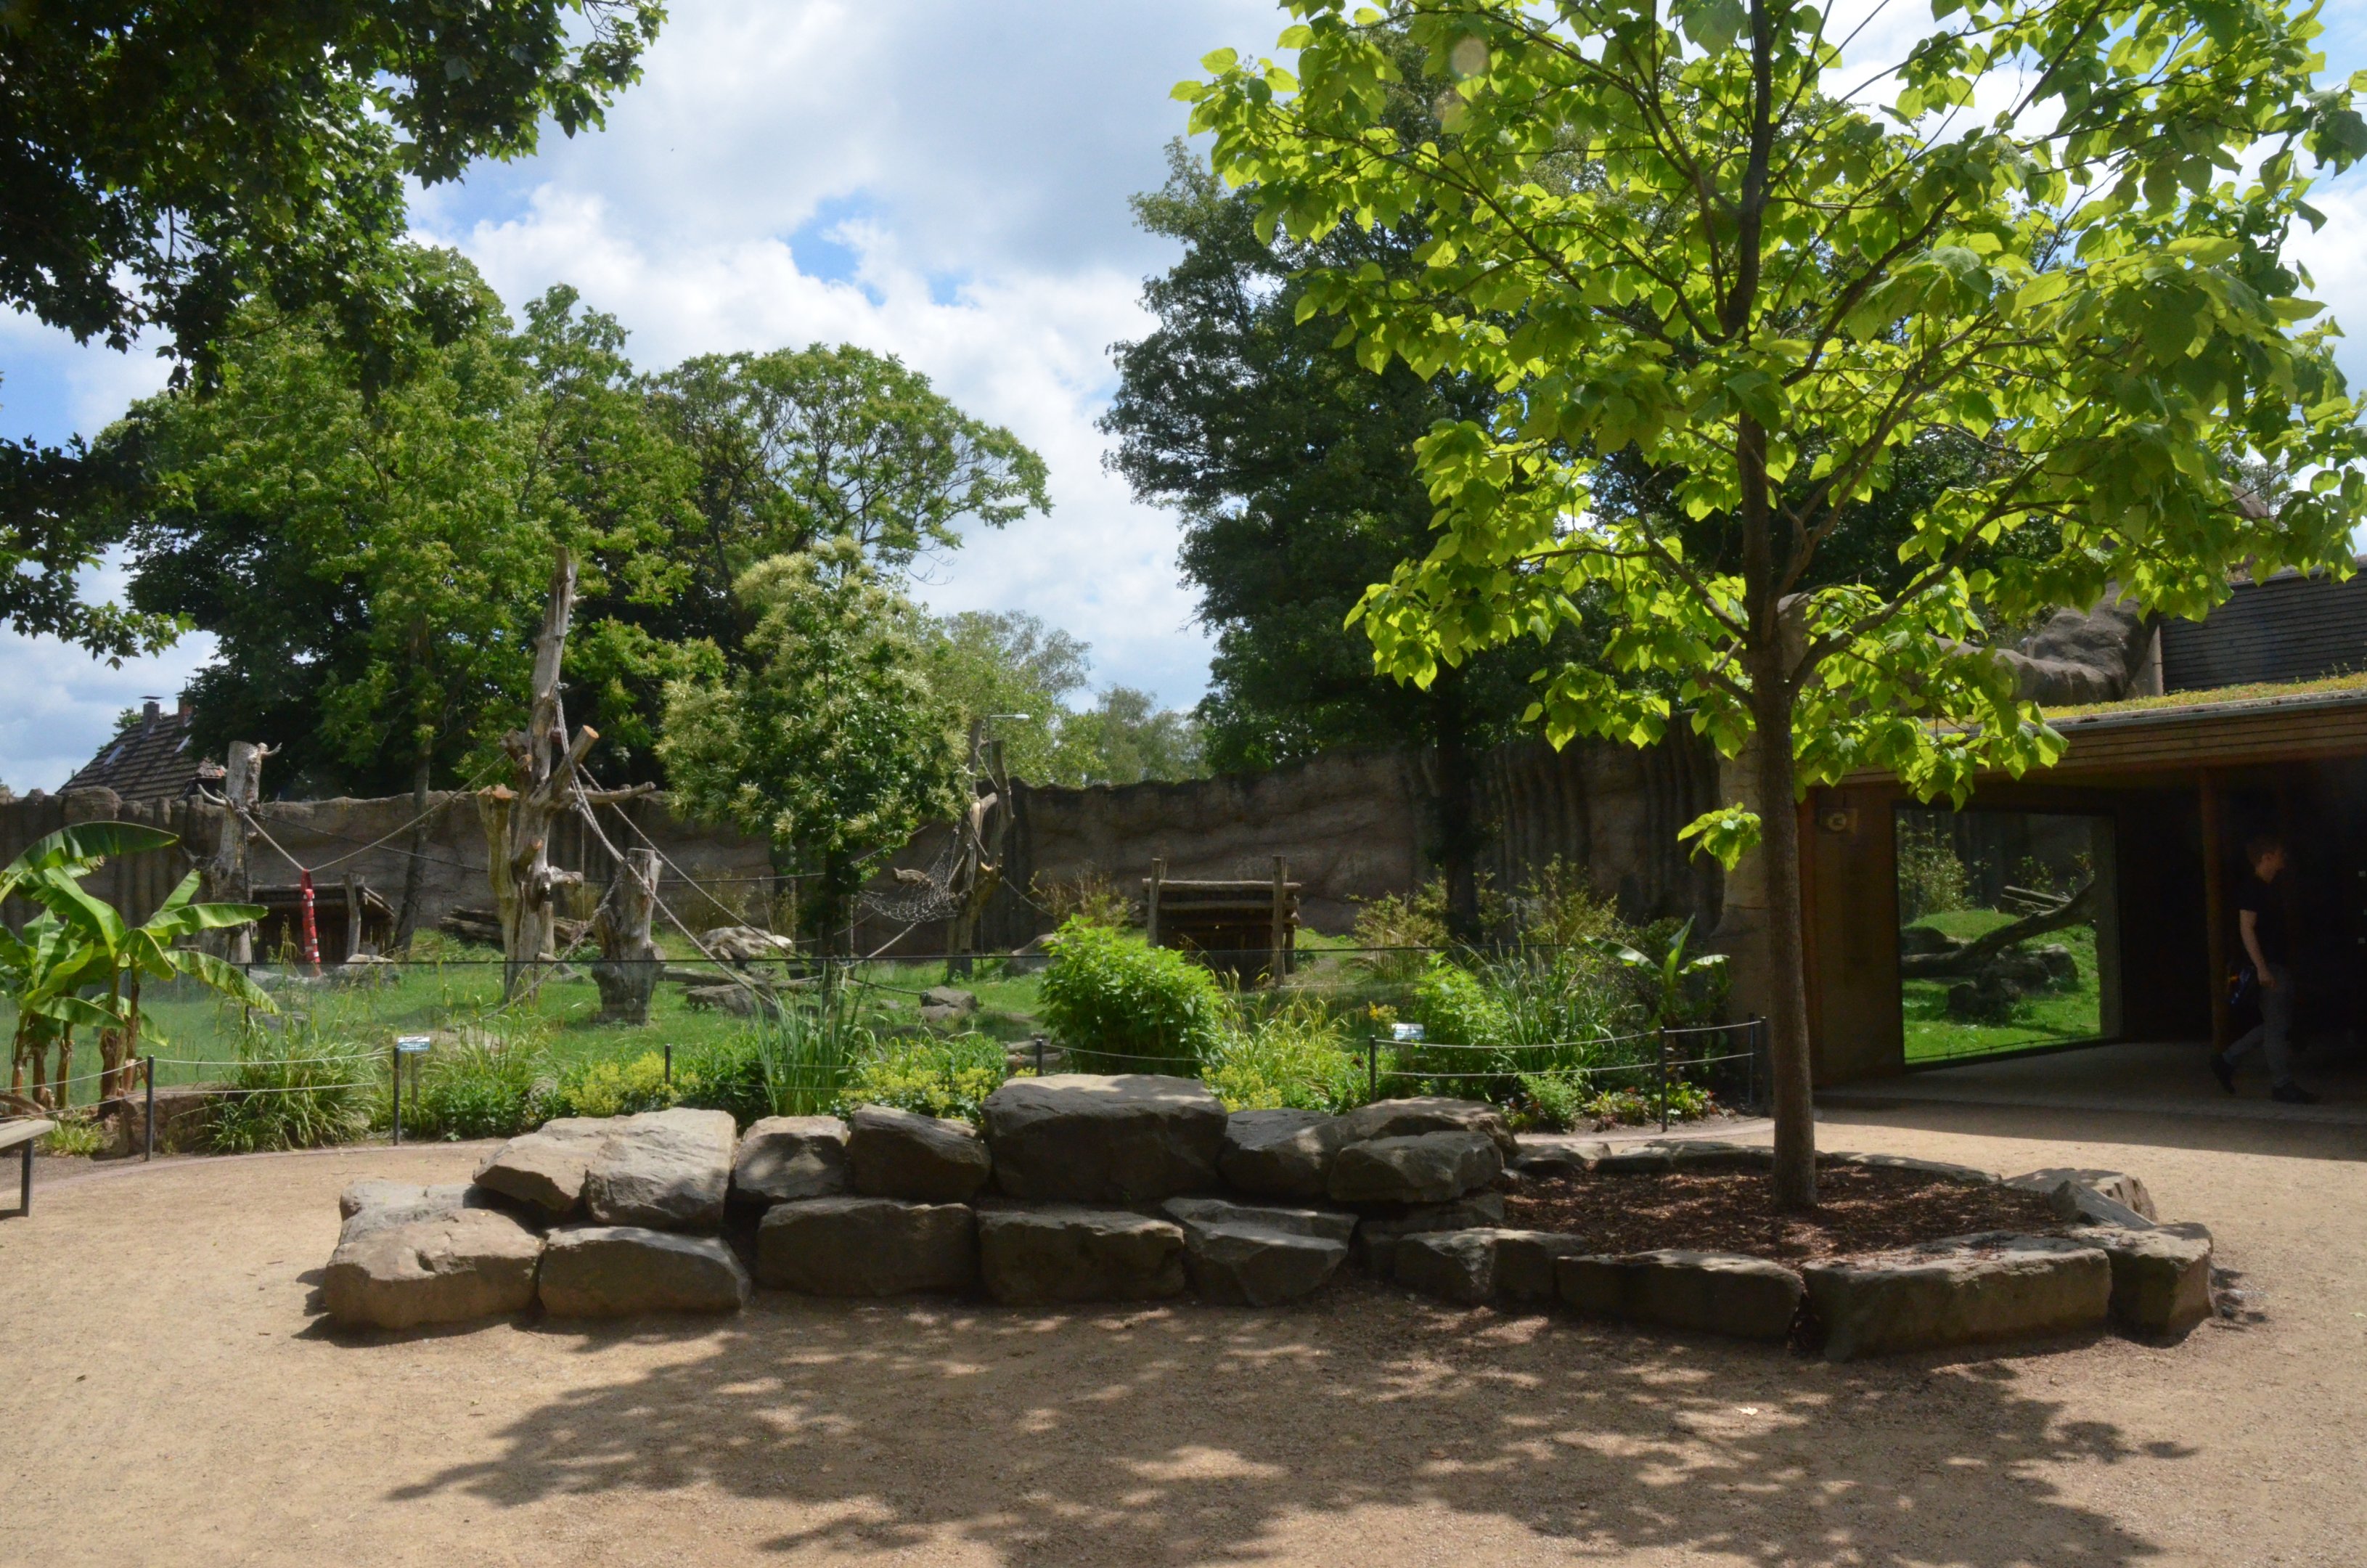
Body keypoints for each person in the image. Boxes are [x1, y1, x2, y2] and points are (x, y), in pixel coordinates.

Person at [2213, 831, 2319, 1104]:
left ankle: (2227, 1059)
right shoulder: (2253, 889)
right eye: (2279, 854)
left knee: (2276, 1023)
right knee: (2276, 1027)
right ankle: (2281, 1084)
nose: (2284, 858)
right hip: (2268, 965)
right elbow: (2247, 929)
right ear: (2266, 857)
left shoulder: (2267, 888)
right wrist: (2261, 967)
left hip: (2275, 964)